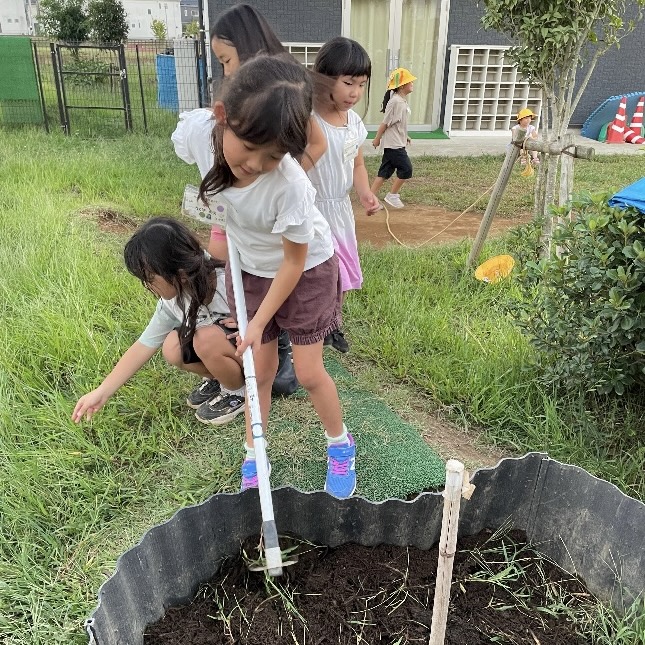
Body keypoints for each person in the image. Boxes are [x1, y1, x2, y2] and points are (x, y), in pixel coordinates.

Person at [199, 54, 356, 499]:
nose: (255, 164)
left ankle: (340, 445)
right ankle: (255, 452)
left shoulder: (290, 186)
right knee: (259, 372)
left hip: (304, 272)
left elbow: (292, 263)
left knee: (307, 372)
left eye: (272, 157)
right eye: (249, 149)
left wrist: (257, 321)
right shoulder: (204, 135)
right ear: (222, 117)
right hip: (248, 270)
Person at [172, 3, 326, 401]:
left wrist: (280, 190)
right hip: (235, 211)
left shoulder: (286, 97)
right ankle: (241, 349)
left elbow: (314, 146)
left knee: (278, 290)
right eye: (220, 62)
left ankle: (273, 343)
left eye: (226, 59)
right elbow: (189, 139)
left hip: (278, 228)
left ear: (246, 48)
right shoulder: (223, 121)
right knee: (224, 259)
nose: (225, 71)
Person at [72, 218, 246, 426]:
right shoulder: (172, 302)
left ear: (180, 274)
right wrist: (102, 392)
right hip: (230, 352)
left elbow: (274, 307)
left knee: (204, 339)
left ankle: (237, 393)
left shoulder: (228, 280)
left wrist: (252, 322)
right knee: (172, 346)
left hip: (257, 356)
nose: (147, 285)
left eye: (150, 278)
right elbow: (143, 345)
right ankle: (222, 379)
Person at [309, 36, 380, 353]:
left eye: (362, 85)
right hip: (310, 211)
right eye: (348, 82)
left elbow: (359, 163)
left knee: (341, 272)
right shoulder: (308, 119)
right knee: (312, 273)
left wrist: (365, 194)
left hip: (339, 211)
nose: (355, 92)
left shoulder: (353, 122)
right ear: (324, 78)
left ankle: (332, 325)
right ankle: (306, 325)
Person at [370, 67, 417, 209]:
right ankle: (392, 195)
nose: (412, 84)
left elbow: (396, 124)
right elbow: (385, 123)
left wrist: (405, 135)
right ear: (402, 85)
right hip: (394, 145)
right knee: (406, 169)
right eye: (410, 82)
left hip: (396, 142)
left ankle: (370, 197)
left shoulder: (400, 101)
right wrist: (377, 139)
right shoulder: (396, 102)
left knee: (384, 172)